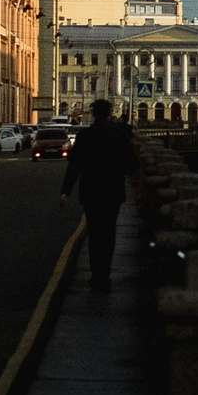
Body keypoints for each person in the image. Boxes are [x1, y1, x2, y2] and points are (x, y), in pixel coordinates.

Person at [59, 97, 139, 292]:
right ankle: (105, 275)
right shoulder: (120, 136)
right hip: (113, 192)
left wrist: (65, 191)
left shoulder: (85, 136)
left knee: (94, 233)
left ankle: (96, 275)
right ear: (110, 114)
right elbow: (132, 165)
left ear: (93, 114)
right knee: (109, 233)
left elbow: (74, 165)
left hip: (91, 192)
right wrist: (118, 170)